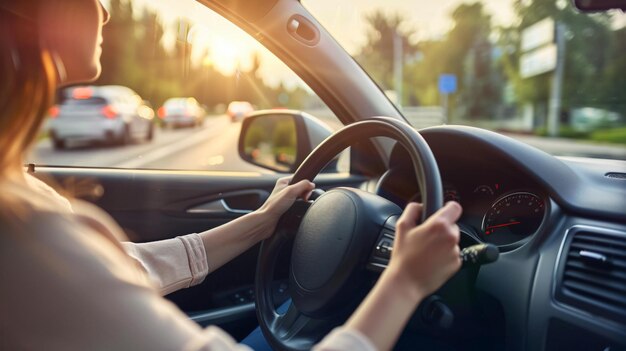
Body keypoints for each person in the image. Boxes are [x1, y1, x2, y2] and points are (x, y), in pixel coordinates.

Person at [0, 1, 462, 350]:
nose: (103, 11)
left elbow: (133, 267)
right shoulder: (23, 234)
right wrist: (405, 281)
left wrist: (260, 222)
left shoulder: (22, 205)